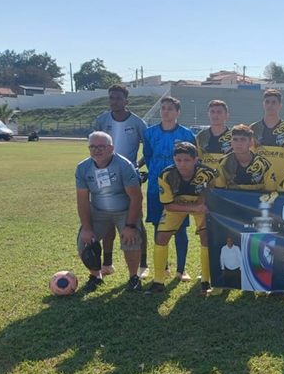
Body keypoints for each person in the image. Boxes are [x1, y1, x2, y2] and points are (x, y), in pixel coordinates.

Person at [145, 142, 218, 297]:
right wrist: (194, 208)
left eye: (187, 160)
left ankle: (206, 281)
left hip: (201, 206)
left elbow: (215, 195)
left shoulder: (209, 173)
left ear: (196, 160)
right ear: (174, 159)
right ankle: (158, 281)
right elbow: (169, 206)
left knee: (206, 237)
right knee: (161, 238)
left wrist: (202, 203)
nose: (182, 164)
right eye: (178, 160)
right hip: (178, 207)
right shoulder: (166, 175)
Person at [75, 131, 143, 293]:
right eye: (92, 147)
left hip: (124, 209)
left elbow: (136, 198)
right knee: (83, 243)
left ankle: (134, 277)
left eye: (101, 146)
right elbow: (83, 200)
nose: (96, 150)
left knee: (130, 240)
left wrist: (130, 225)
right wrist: (87, 227)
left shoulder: (124, 166)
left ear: (111, 148)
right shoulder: (83, 168)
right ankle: (95, 276)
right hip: (98, 210)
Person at [93, 83, 147, 277]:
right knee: (108, 217)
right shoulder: (101, 120)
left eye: (118, 98)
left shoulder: (138, 123)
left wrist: (136, 167)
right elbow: (95, 146)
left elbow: (148, 150)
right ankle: (107, 263)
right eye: (111, 98)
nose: (114, 101)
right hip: (104, 176)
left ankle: (142, 264)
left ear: (126, 100)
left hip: (128, 178)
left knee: (135, 221)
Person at [142, 96, 196, 281]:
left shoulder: (187, 134)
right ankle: (163, 267)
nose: (166, 111)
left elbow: (191, 160)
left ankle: (181, 270)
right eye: (163, 108)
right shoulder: (149, 133)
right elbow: (148, 156)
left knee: (181, 228)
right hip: (156, 187)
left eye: (170, 108)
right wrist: (157, 174)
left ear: (177, 112)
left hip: (181, 188)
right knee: (159, 226)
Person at [249, 89, 284, 184]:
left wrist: (282, 174)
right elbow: (249, 156)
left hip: (280, 180)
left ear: (280, 105)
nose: (270, 105)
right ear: (263, 104)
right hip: (258, 179)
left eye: (273, 102)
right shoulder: (253, 128)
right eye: (267, 102)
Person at [216, 124, 277, 191]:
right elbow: (219, 191)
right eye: (235, 139)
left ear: (251, 143)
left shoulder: (264, 164)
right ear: (231, 142)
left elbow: (271, 193)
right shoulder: (223, 163)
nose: (238, 143)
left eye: (243, 140)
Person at [195, 99, 233, 171]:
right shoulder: (201, 136)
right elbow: (198, 160)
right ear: (208, 115)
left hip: (225, 178)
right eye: (212, 112)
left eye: (219, 112)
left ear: (226, 115)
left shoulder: (233, 136)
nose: (215, 115)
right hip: (207, 177)